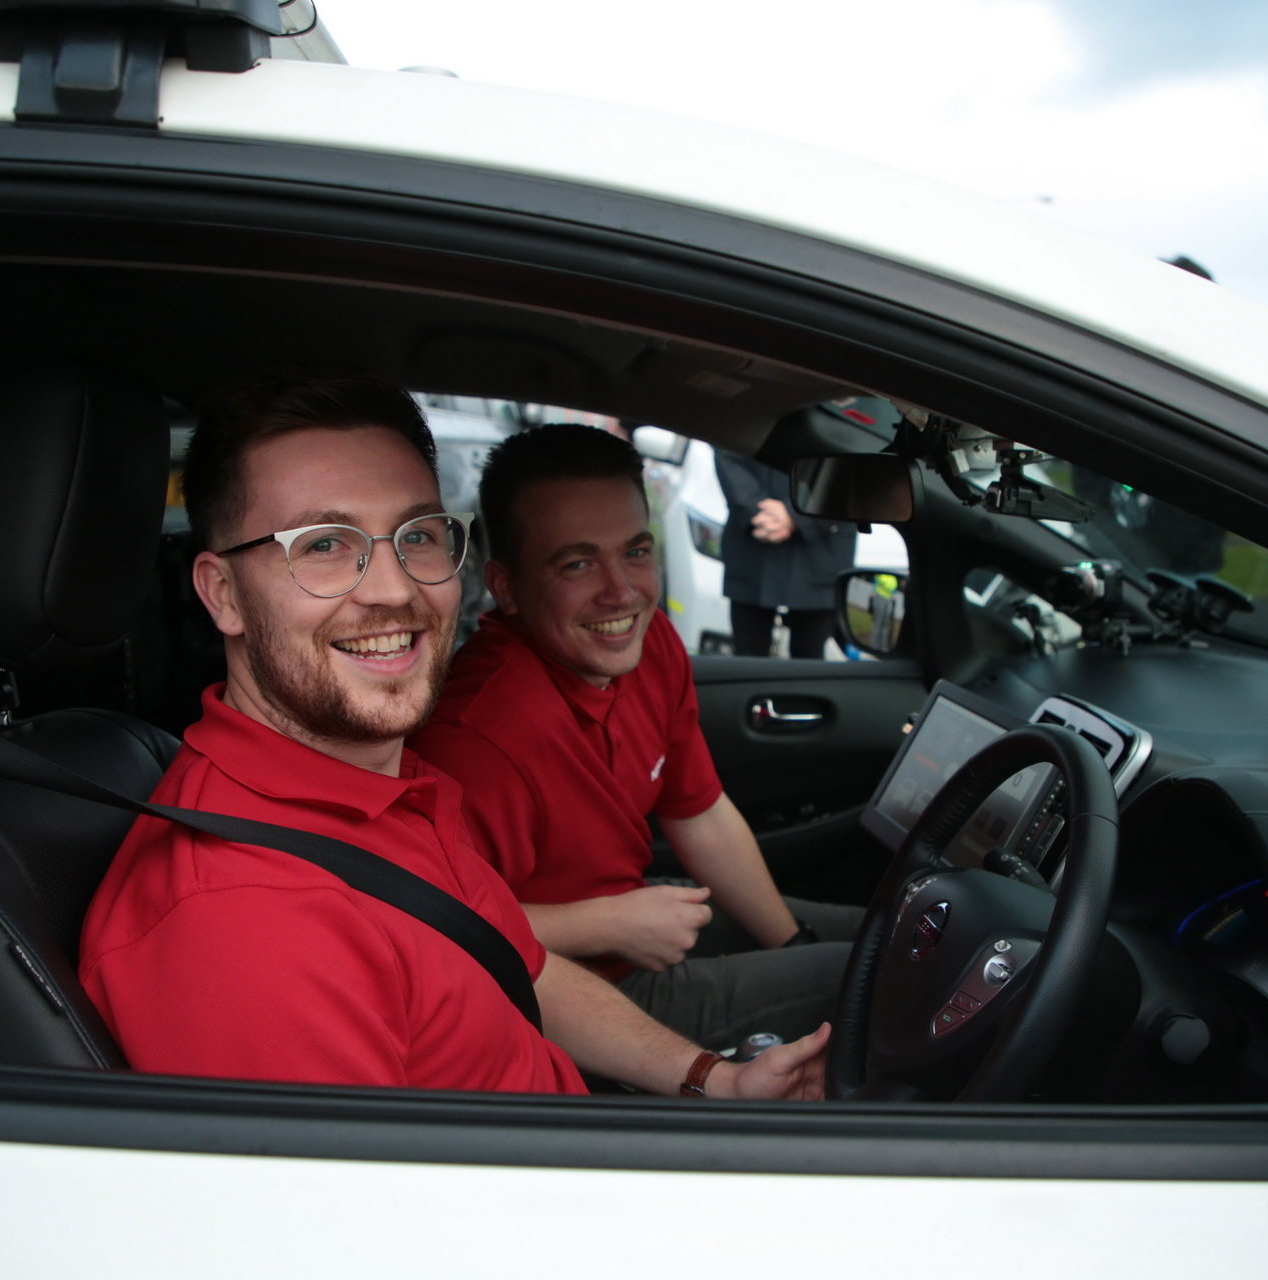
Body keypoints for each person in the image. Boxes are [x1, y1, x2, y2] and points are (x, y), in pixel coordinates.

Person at [79, 377, 828, 1099]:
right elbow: (360, 1224)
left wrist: (713, 1080)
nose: (393, 588)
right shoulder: (245, 926)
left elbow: (520, 967)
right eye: (324, 545)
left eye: (418, 535)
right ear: (222, 594)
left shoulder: (387, 786)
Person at [410, 425, 863, 1050]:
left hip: (637, 917)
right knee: (878, 976)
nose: (621, 592)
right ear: (505, 586)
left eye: (635, 552)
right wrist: (604, 925)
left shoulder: (651, 648)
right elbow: (431, 927)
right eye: (576, 562)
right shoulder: (479, 739)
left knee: (889, 936)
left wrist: (790, 940)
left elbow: (699, 812)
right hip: (570, 994)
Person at [714, 450, 856, 658]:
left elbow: (851, 463)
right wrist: (756, 508)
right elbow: (726, 448)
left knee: (809, 664)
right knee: (747, 661)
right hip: (753, 546)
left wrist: (797, 513)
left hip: (821, 550)